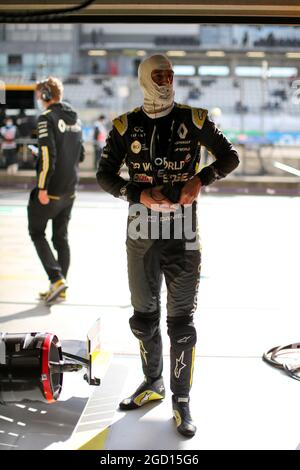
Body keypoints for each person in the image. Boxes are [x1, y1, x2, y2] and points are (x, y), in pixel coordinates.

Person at [96, 54, 239, 437]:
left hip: (183, 233)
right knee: (143, 320)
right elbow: (104, 175)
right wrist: (136, 194)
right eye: (159, 74)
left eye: (170, 75)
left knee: (182, 326)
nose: (166, 80)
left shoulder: (193, 119)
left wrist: (201, 180)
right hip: (141, 233)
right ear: (144, 78)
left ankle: (181, 400)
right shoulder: (125, 126)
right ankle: (152, 383)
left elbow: (230, 156)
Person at [28, 76, 85, 304]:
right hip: (70, 188)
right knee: (61, 237)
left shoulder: (46, 118)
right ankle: (59, 285)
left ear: (45, 95)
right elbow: (79, 155)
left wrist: (42, 186)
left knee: (36, 232)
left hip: (50, 189)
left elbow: (47, 154)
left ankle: (56, 278)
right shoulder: (76, 119)